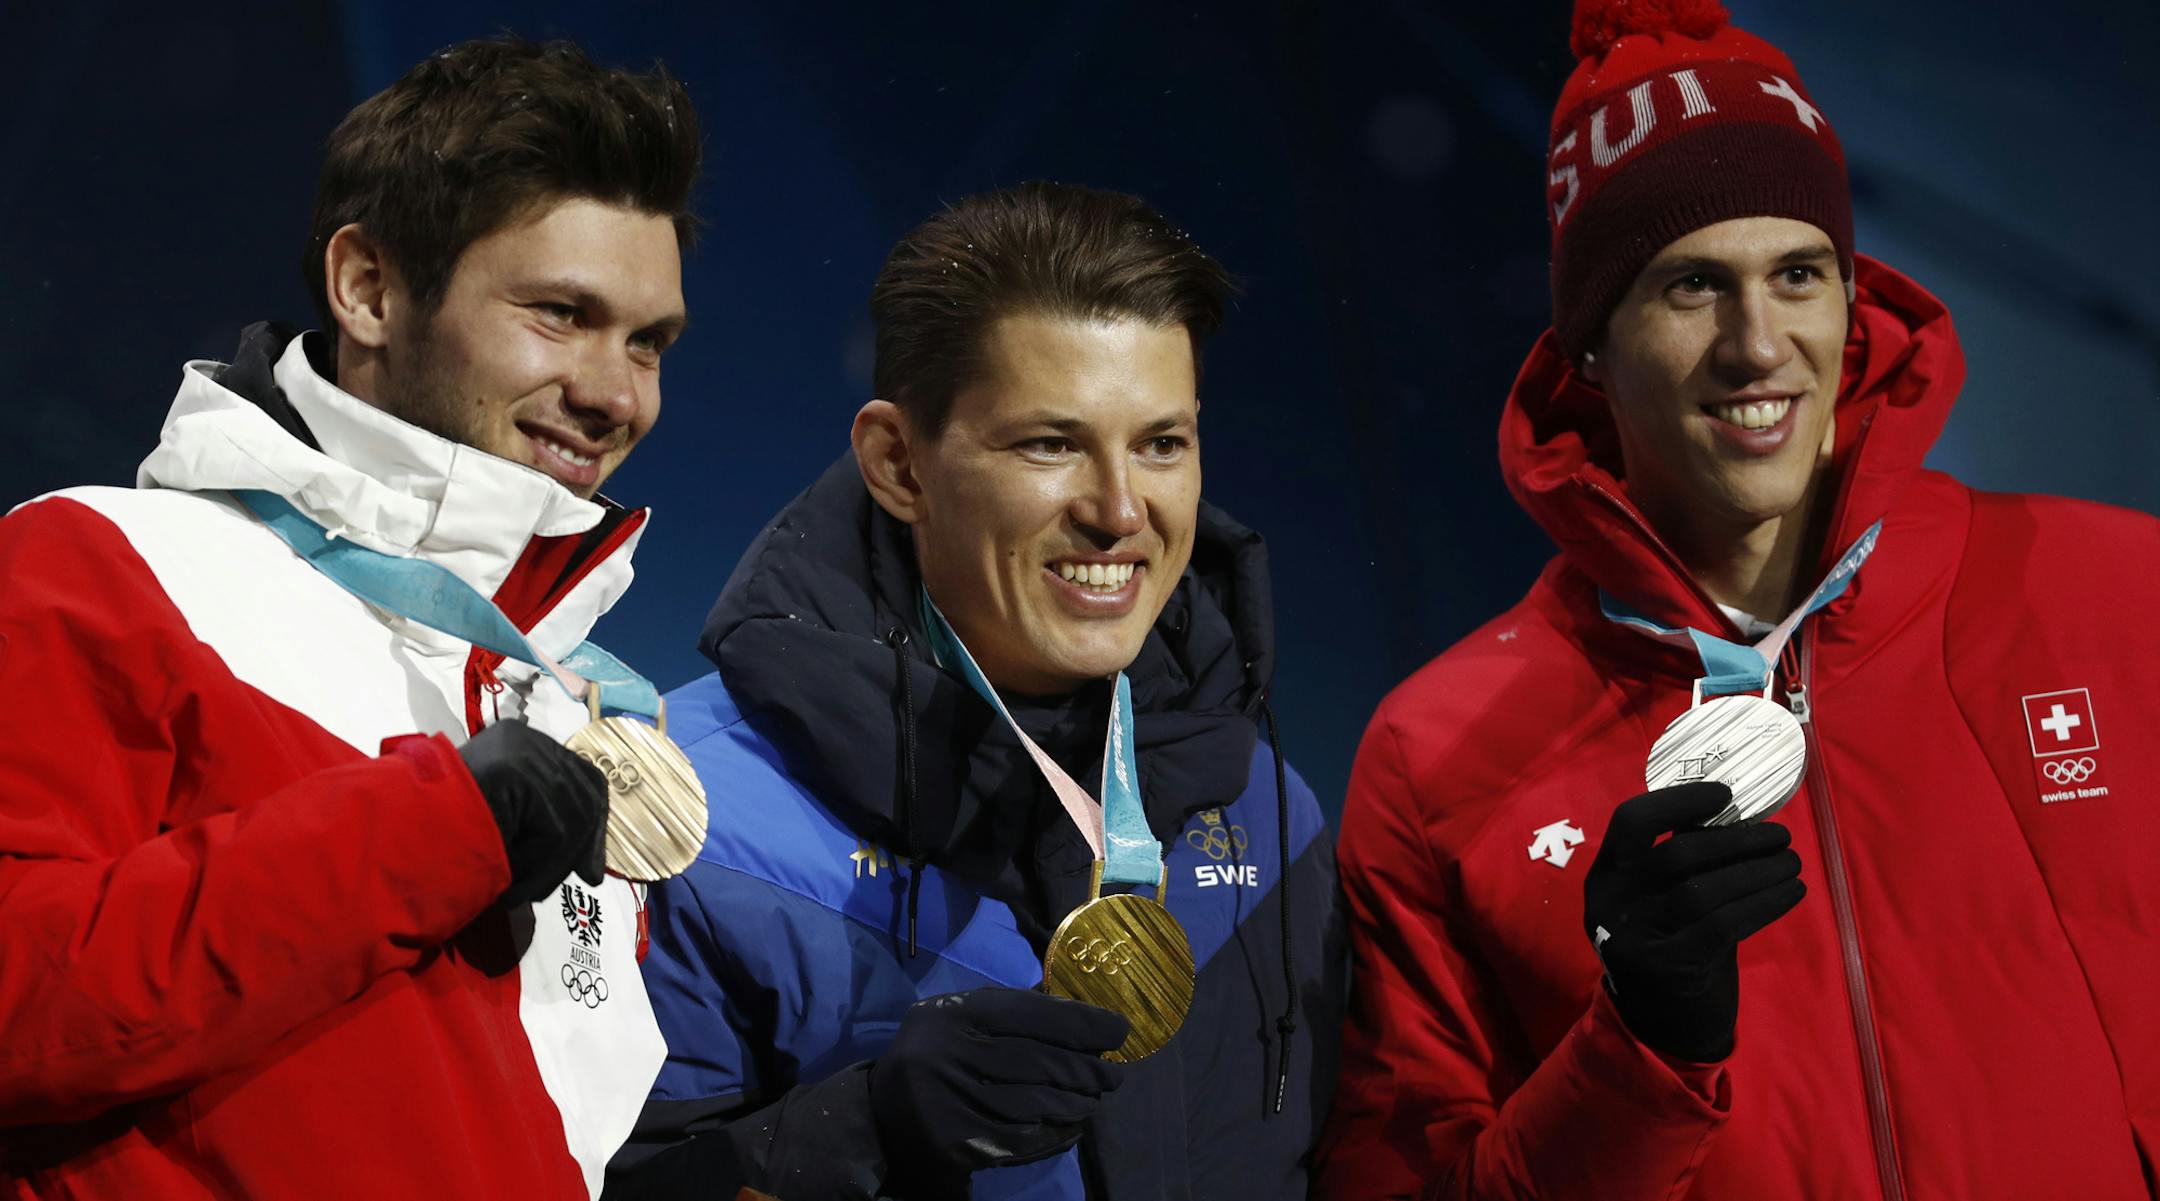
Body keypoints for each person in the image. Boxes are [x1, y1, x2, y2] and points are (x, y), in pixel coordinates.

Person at [1319, 1, 2160, 1198]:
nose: (1758, 344)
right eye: (1691, 286)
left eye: (1800, 274)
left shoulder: (2121, 597)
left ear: (1852, 304)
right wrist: (1639, 1048)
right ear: (1591, 347)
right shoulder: (1440, 755)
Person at [0, 37, 702, 1199]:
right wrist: (425, 832)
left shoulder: (575, 694)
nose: (615, 391)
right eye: (561, 315)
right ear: (369, 287)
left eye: (648, 342)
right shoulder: (100, 561)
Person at [610, 181, 1344, 1200]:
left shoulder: (1265, 808)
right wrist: (854, 1133)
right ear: (898, 463)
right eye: (1050, 443)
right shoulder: (688, 820)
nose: (1120, 509)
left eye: (1161, 443)